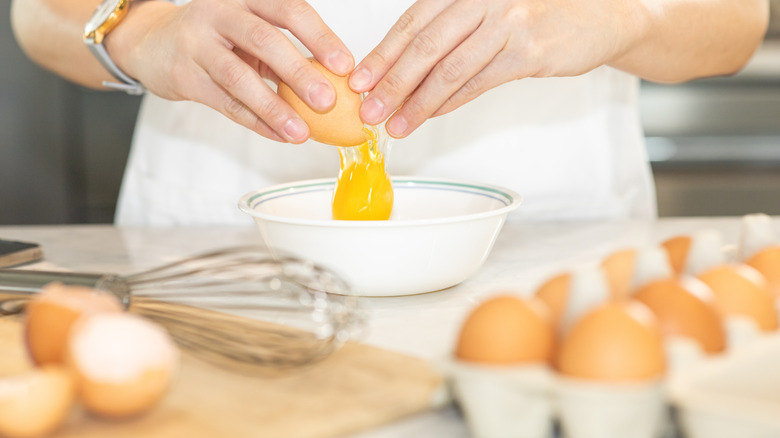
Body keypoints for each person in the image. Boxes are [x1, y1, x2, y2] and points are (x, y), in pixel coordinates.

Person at [11, 0, 769, 226]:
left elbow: (737, 23)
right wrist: (139, 30)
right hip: (216, 261)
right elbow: (37, 15)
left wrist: (625, 14)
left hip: (551, 254)